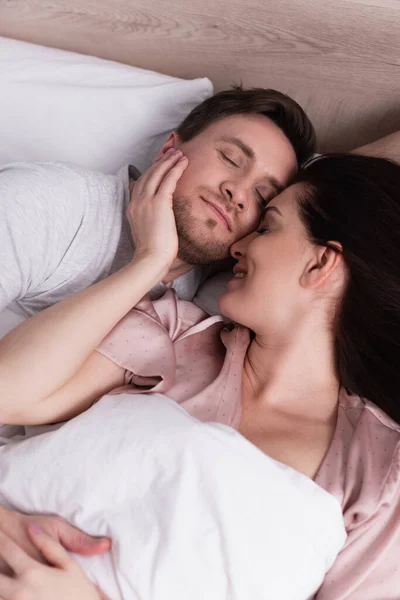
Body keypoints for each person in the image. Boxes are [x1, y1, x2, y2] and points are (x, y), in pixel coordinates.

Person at [0, 150, 400, 599]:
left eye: (267, 227)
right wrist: (149, 261)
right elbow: (8, 391)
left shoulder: (379, 472)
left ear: (321, 264)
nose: (238, 246)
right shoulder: (176, 334)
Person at [0, 87, 313, 319]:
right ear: (168, 150)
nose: (240, 194)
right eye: (231, 159)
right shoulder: (49, 201)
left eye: (263, 196)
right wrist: (150, 261)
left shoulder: (224, 287)